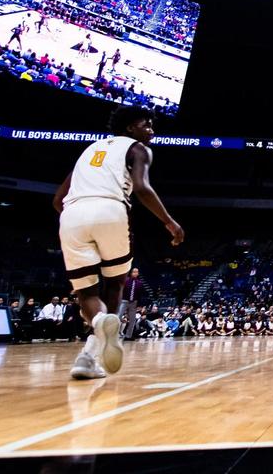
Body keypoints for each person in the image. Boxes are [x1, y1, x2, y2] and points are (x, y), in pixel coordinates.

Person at [52, 105, 184, 379]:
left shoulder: (90, 150)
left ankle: (92, 343)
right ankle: (93, 351)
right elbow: (142, 188)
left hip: (72, 214)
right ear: (129, 128)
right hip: (111, 209)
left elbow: (57, 200)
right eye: (146, 124)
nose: (151, 130)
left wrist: (77, 221)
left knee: (86, 293)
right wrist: (168, 221)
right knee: (115, 283)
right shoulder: (138, 149)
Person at [121, 268, 144, 340]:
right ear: (131, 273)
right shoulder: (126, 280)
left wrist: (140, 305)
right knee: (117, 317)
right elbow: (121, 291)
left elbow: (140, 295)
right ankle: (113, 334)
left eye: (137, 272)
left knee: (132, 320)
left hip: (133, 303)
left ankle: (128, 336)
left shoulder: (139, 283)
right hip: (124, 301)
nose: (135, 273)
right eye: (134, 272)